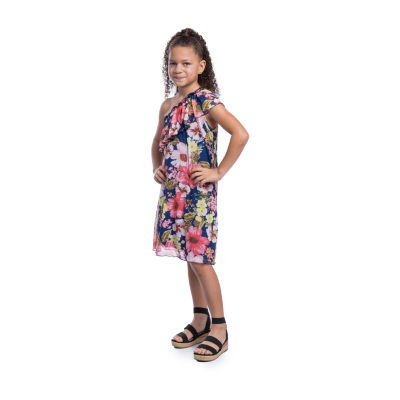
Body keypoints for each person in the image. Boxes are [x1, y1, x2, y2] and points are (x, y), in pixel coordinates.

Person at [151, 28, 249, 362]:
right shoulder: (168, 105)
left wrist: (218, 171)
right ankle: (199, 318)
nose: (178, 69)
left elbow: (241, 133)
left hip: (198, 198)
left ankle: (219, 328)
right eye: (173, 63)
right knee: (188, 257)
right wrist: (157, 168)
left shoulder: (206, 102)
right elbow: (156, 143)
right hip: (174, 195)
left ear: (201, 66)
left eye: (186, 63)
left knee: (200, 259)